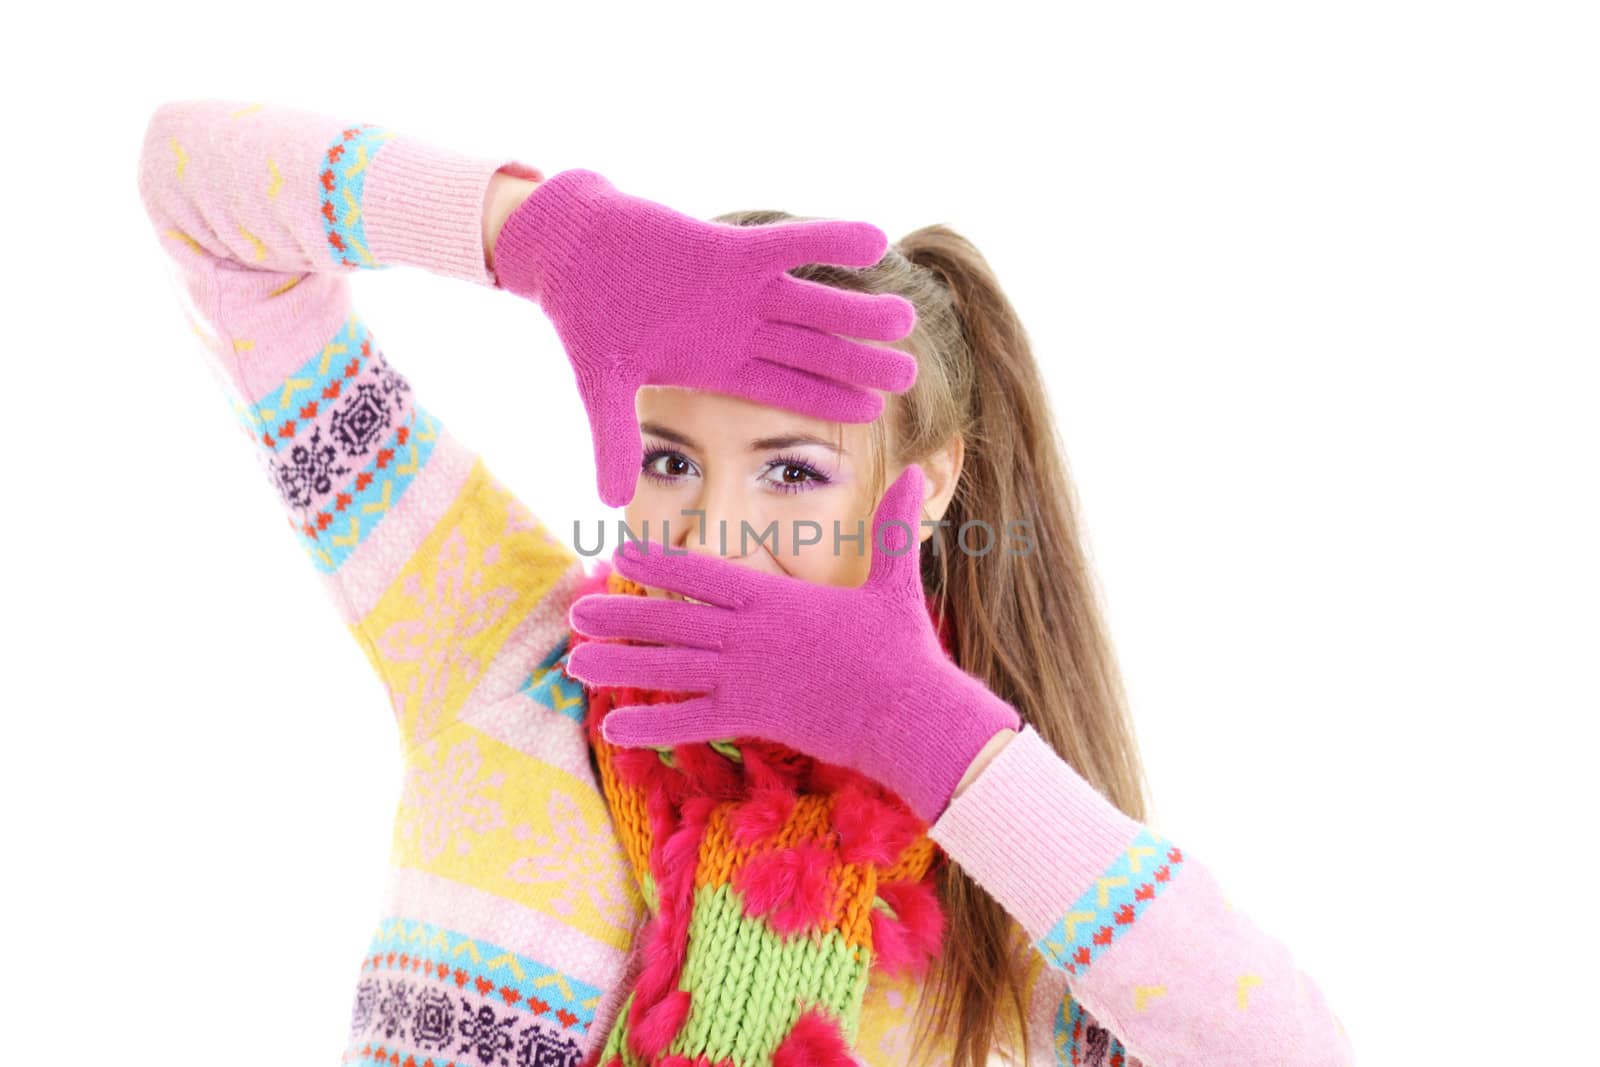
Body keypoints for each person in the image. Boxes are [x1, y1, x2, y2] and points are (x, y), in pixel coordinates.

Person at [137, 98, 1354, 1067]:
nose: (713, 524)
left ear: (925, 488)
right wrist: (538, 234)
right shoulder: (498, 638)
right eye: (669, 456)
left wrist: (931, 736)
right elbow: (195, 188)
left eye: (790, 472)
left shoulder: (988, 874)